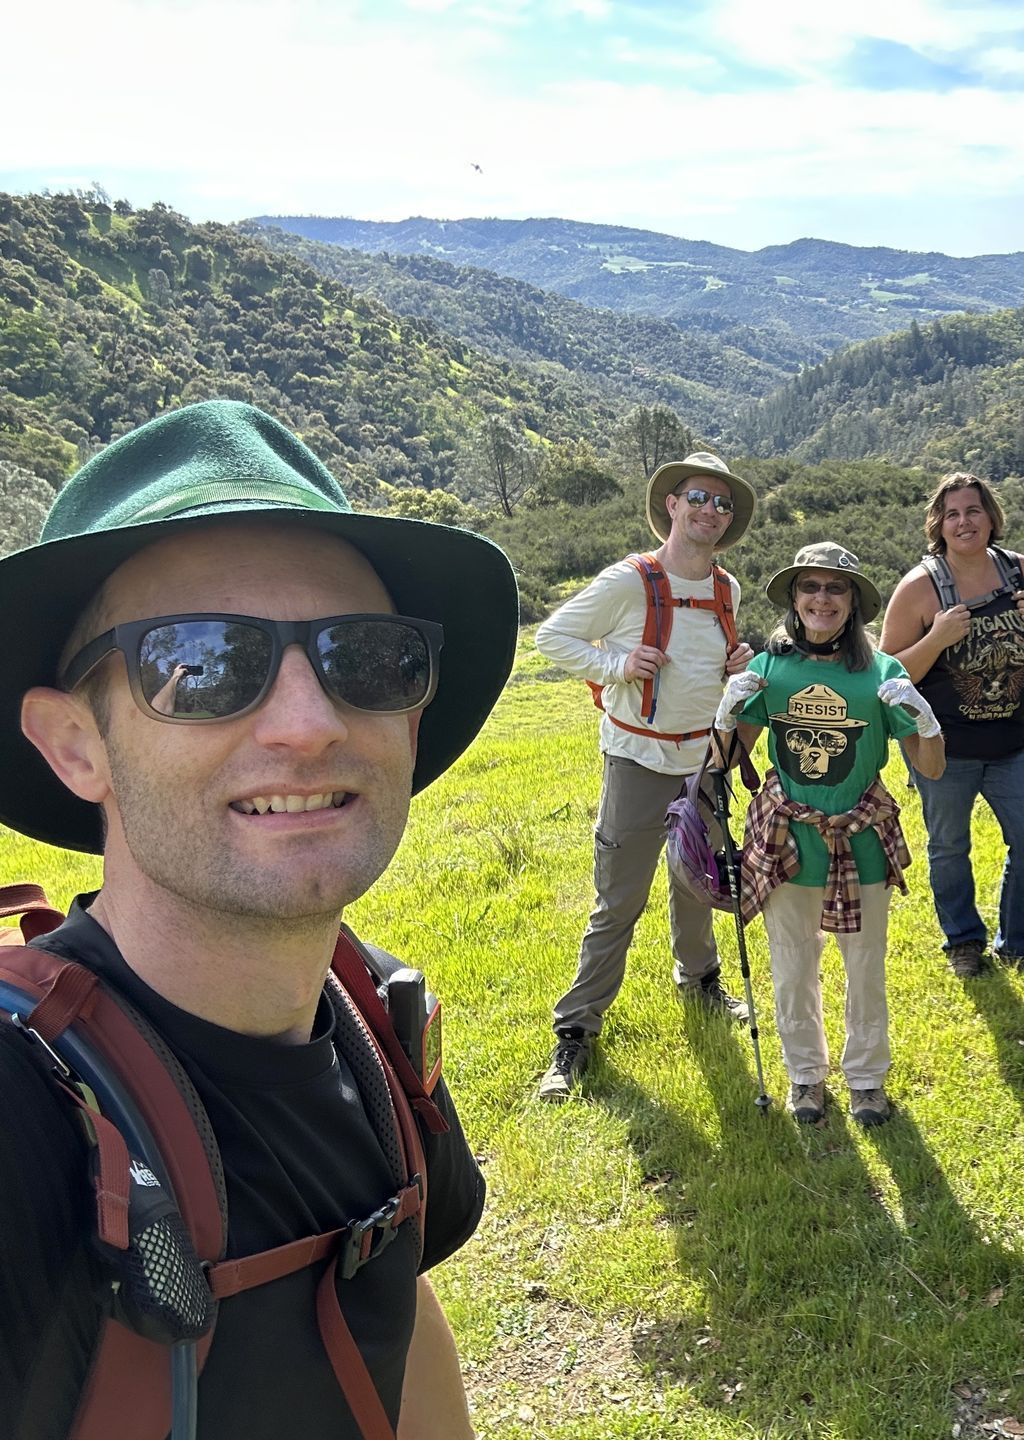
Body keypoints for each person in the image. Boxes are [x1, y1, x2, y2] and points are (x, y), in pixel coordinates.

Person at [0, 400, 516, 1437]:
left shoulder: (373, 1021)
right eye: (201, 663)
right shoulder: (24, 1125)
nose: (310, 724)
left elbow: (397, 1309)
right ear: (75, 746)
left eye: (365, 658)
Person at [532, 451, 757, 1101]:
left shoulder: (726, 589)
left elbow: (708, 667)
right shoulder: (629, 581)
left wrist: (736, 662)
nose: (711, 510)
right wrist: (618, 665)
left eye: (722, 503)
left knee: (698, 882)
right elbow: (553, 638)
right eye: (699, 497)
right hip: (638, 761)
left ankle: (701, 982)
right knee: (619, 902)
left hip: (705, 761)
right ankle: (575, 1031)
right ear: (672, 505)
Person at [717, 543, 945, 1128]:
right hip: (788, 842)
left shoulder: (883, 673)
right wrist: (726, 715)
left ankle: (867, 1079)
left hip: (860, 839)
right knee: (792, 966)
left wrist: (927, 721)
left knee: (864, 966)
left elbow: (931, 766)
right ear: (795, 599)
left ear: (853, 602)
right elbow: (727, 759)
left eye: (835, 588)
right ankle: (805, 1075)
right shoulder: (769, 670)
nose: (822, 598)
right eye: (810, 587)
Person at [879, 473, 1024, 978]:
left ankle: (1019, 942)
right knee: (949, 847)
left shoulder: (1019, 571)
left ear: (991, 518)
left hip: (1014, 742)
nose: (964, 522)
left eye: (974, 511)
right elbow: (887, 675)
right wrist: (936, 639)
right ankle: (962, 941)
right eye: (953, 514)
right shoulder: (920, 587)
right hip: (944, 748)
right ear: (938, 524)